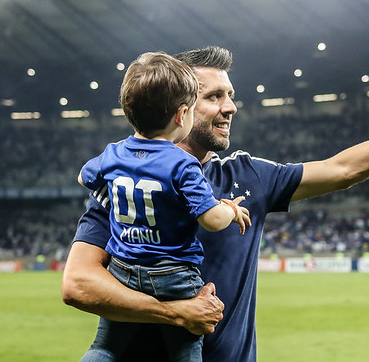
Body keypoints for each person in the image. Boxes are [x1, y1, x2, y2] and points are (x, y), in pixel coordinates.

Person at [62, 45, 369, 361]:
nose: (230, 107)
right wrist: (175, 313)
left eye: (231, 96)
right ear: (180, 108)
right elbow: (78, 285)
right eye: (214, 96)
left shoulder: (250, 175)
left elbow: (342, 170)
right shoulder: (128, 185)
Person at [77, 51, 251, 361]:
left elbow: (84, 178)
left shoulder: (113, 154)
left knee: (105, 347)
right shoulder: (183, 164)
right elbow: (211, 219)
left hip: (123, 270)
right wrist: (232, 210)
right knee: (185, 350)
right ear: (182, 115)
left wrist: (114, 194)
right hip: (174, 274)